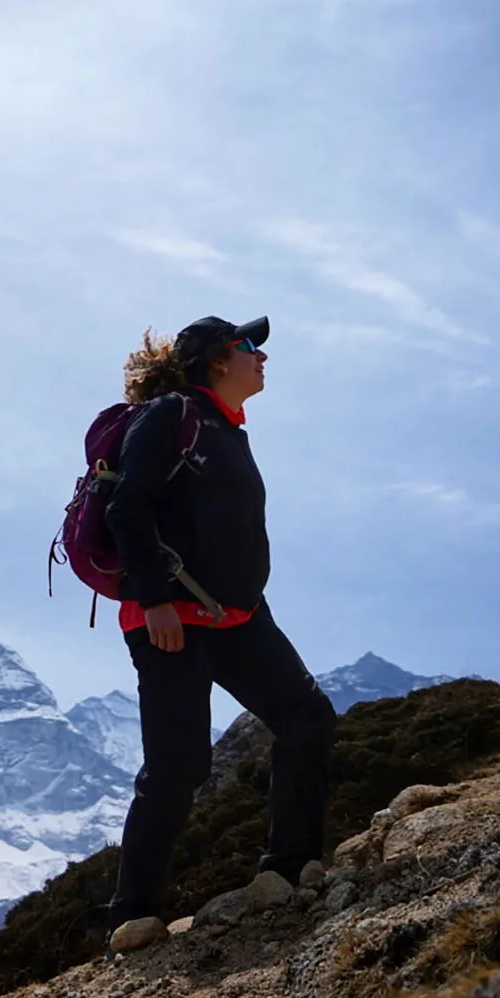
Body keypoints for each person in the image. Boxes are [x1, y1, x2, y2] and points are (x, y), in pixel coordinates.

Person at [101, 314, 337, 934]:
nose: (262, 356)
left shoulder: (229, 430)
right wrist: (154, 600)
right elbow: (128, 507)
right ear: (215, 359)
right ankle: (132, 919)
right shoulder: (171, 414)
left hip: (238, 618)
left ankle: (290, 870)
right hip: (172, 621)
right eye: (248, 346)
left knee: (308, 718)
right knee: (178, 768)